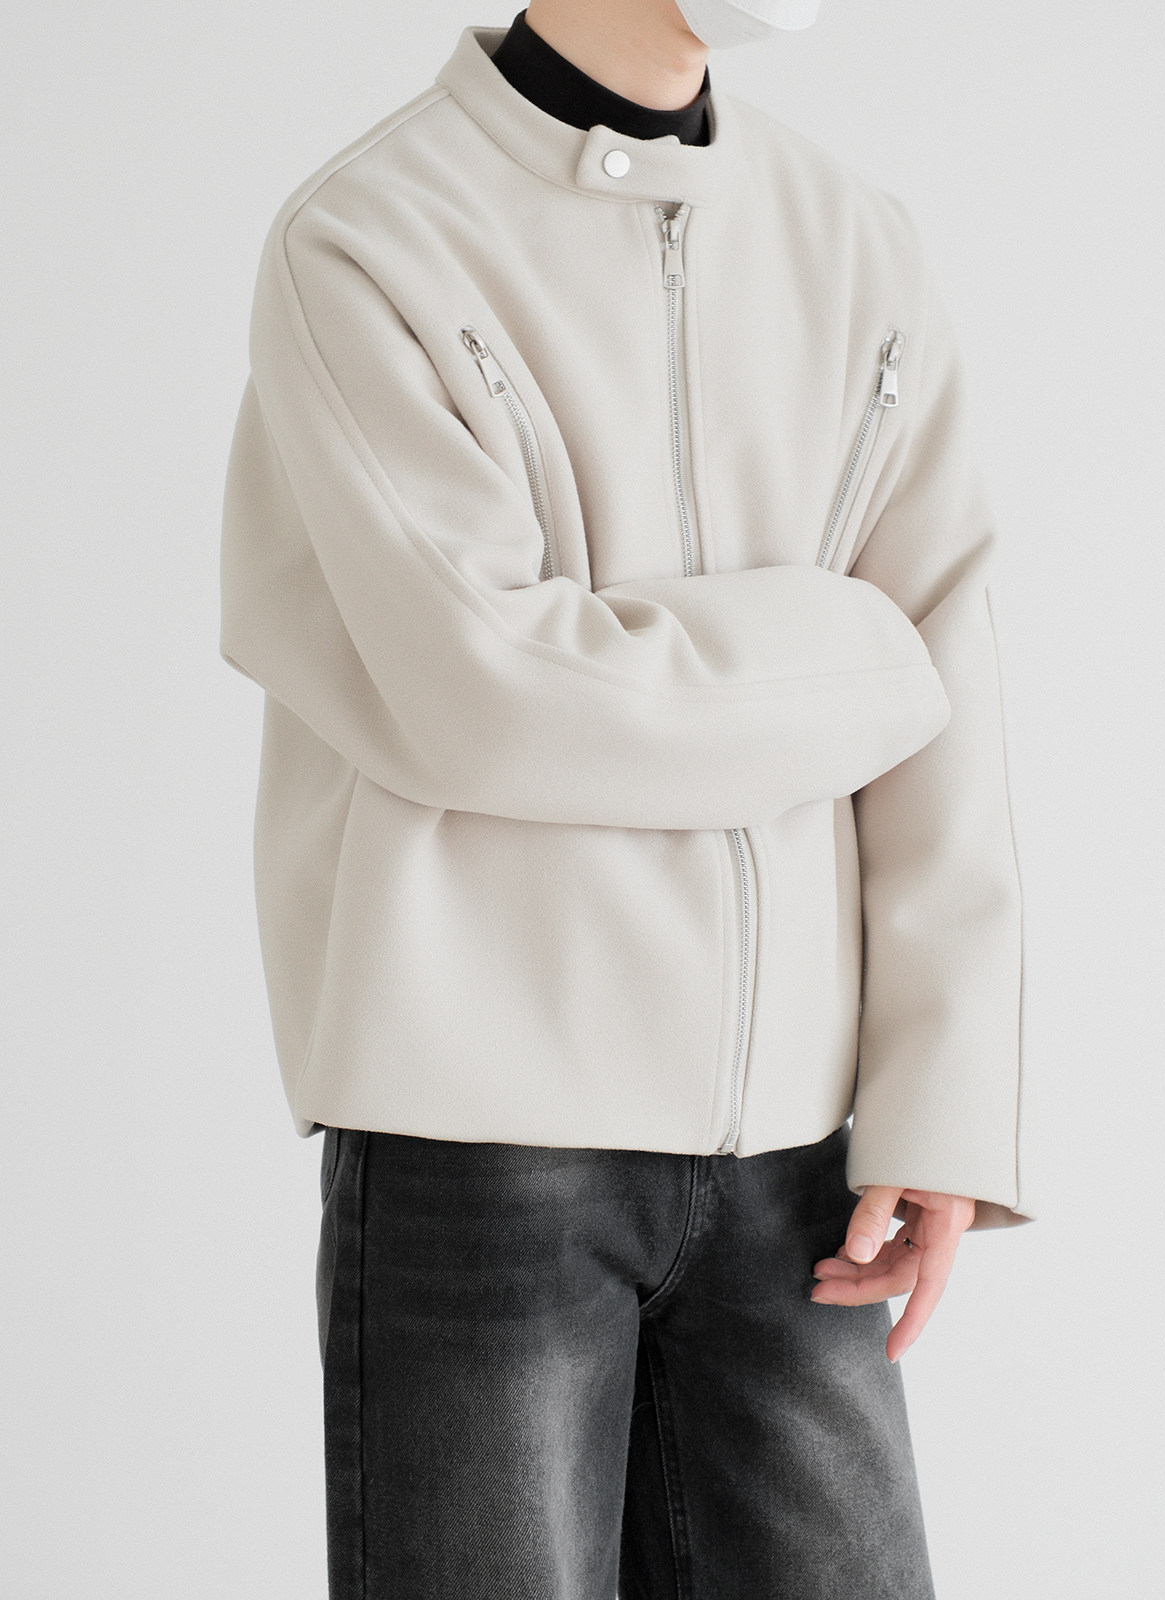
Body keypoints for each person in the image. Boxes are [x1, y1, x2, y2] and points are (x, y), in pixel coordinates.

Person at [219, 1, 1037, 1594]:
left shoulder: (854, 238)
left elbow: (958, 686)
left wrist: (943, 1100)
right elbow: (496, 699)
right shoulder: (369, 241)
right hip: (480, 1147)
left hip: (802, 1162)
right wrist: (864, 648)